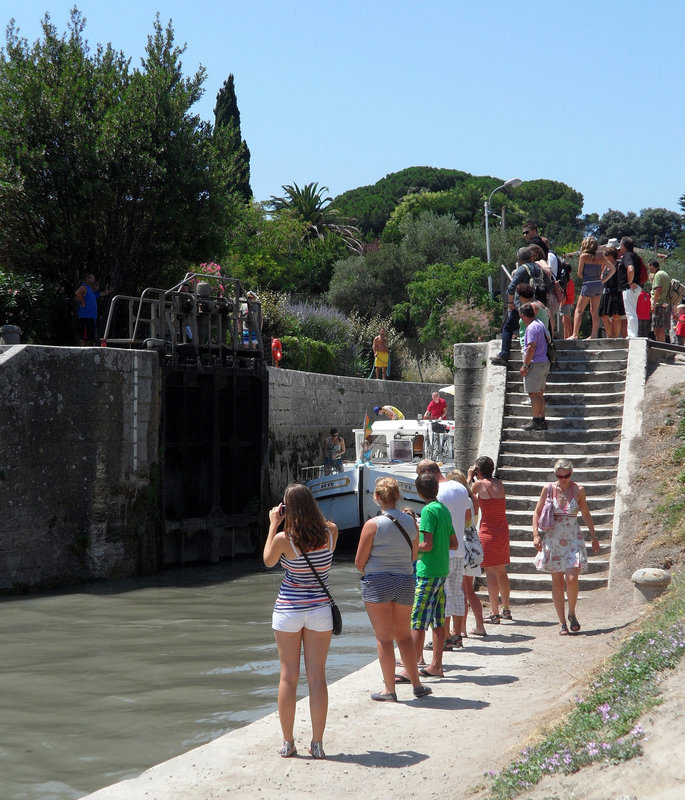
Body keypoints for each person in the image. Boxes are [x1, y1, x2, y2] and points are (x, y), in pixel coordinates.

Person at [263, 484, 339, 759]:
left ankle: (288, 743)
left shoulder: (285, 539)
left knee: (288, 677)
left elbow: (268, 560)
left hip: (289, 610)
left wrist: (274, 524)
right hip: (319, 610)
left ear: (288, 508)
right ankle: (317, 744)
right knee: (317, 677)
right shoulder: (331, 531)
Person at [354, 477, 432, 701]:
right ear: (398, 496)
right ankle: (417, 685)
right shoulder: (410, 522)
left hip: (378, 582)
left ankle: (390, 689)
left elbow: (359, 562)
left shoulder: (373, 525)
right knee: (404, 636)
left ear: (376, 497)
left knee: (384, 638)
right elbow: (414, 556)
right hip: (405, 580)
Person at [532, 459, 599, 636]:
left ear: (571, 473)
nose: (562, 479)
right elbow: (537, 512)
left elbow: (585, 513)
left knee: (572, 578)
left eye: (566, 476)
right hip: (553, 539)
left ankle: (572, 612)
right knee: (557, 581)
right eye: (559, 476)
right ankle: (562, 622)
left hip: (572, 539)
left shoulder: (579, 490)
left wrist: (594, 536)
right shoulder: (548, 489)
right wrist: (535, 534)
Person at [406, 472, 457, 678]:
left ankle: (410, 668)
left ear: (419, 492)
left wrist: (410, 550)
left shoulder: (428, 511)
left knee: (417, 619)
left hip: (427, 572)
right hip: (442, 569)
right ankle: (436, 665)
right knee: (438, 620)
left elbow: (426, 544)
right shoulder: (444, 510)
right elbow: (454, 543)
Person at [417, 460, 470, 650]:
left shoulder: (436, 495)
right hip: (459, 548)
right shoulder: (460, 487)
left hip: (441, 553)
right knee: (457, 592)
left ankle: (444, 636)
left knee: (443, 596)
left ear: (428, 473)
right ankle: (457, 633)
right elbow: (467, 517)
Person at [468, 456, 511, 624]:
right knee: (501, 571)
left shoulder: (480, 484)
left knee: (491, 572)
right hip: (502, 530)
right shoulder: (499, 485)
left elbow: (466, 494)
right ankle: (506, 609)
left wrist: (469, 476)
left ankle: (494, 612)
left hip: (488, 531)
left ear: (479, 471)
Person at [446, 469, 487, 637]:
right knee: (469, 590)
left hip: (463, 546)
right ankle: (479, 625)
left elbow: (462, 522)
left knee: (460, 590)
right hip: (473, 544)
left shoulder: (461, 501)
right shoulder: (473, 499)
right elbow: (471, 521)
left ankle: (461, 628)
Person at [490, 247, 545, 366]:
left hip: (523, 306)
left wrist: (510, 304)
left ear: (519, 259)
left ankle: (504, 355)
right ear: (531, 257)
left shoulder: (522, 269)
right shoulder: (539, 269)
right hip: (537, 305)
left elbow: (511, 288)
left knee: (507, 328)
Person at [569, 237, 611, 340]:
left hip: (588, 284)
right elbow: (612, 269)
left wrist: (587, 277)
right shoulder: (601, 256)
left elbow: (579, 273)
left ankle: (575, 335)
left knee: (579, 310)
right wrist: (603, 279)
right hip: (598, 285)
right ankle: (593, 335)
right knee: (594, 310)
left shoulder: (583, 256)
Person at [519, 302, 549, 432]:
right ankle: (541, 419)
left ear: (523, 316)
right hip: (544, 362)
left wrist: (525, 365)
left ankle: (536, 420)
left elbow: (531, 347)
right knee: (539, 394)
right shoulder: (540, 324)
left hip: (535, 364)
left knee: (533, 394)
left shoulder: (531, 328)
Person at [618, 237, 643, 339]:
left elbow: (630, 269)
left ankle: (632, 335)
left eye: (620, 245)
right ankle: (632, 334)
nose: (620, 247)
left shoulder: (627, 256)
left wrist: (630, 282)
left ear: (623, 246)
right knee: (631, 311)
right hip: (634, 288)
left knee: (630, 312)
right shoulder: (635, 256)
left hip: (629, 288)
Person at [598, 241, 624, 339]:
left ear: (612, 255)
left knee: (616, 316)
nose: (605, 257)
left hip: (616, 292)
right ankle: (610, 337)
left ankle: (616, 338)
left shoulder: (618, 265)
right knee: (604, 316)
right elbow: (601, 279)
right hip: (606, 293)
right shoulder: (605, 267)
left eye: (606, 255)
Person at [75, 273, 108, 346]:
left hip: (91, 318)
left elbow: (102, 293)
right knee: (83, 338)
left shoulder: (91, 292)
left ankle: (86, 353)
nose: (94, 279)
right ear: (87, 279)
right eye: (92, 278)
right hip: (85, 318)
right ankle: (83, 353)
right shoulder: (84, 287)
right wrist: (83, 302)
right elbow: (77, 293)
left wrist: (108, 291)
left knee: (90, 338)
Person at [648, 259, 671, 342]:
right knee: (660, 325)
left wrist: (653, 304)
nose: (649, 269)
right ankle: (662, 343)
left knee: (657, 327)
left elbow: (658, 289)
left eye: (649, 267)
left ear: (652, 266)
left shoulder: (658, 275)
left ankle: (660, 344)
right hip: (664, 303)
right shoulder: (664, 274)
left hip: (658, 304)